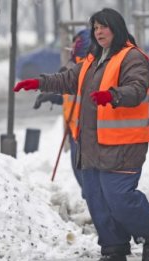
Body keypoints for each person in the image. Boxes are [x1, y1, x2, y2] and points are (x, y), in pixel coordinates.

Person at [13, 8, 149, 261]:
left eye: (103, 27)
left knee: (120, 199)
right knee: (98, 201)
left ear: (116, 27)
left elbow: (136, 89)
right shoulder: (92, 61)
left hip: (123, 144)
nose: (99, 32)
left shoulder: (132, 57)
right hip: (91, 144)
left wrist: (113, 95)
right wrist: (38, 82)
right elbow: (67, 79)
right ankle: (113, 249)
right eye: (95, 28)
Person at [33, 28, 92, 189]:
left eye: (75, 44)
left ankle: (101, 211)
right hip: (75, 132)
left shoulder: (88, 69)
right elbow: (71, 98)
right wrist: (51, 97)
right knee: (81, 175)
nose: (71, 48)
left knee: (89, 178)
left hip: (86, 134)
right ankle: (96, 207)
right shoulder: (75, 67)